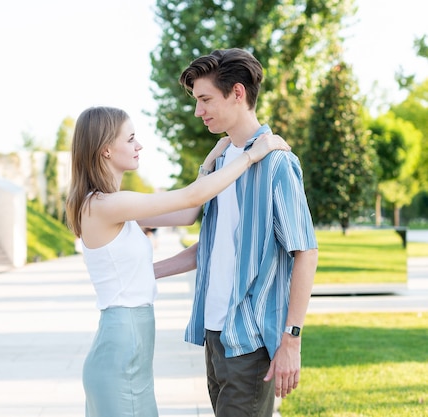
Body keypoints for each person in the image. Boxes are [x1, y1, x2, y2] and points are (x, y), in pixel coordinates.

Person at [65, 105, 290, 417]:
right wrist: (250, 156)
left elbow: (186, 214)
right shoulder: (104, 205)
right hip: (121, 347)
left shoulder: (113, 205)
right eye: (130, 139)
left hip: (129, 347)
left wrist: (207, 167)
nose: (139, 145)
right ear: (105, 150)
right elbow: (190, 198)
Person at [153, 48, 319, 417]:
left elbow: (305, 251)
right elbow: (213, 248)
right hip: (215, 335)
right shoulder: (221, 162)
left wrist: (291, 338)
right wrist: (148, 271)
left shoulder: (277, 163)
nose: (198, 111)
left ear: (238, 93)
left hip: (251, 339)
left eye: (205, 99)